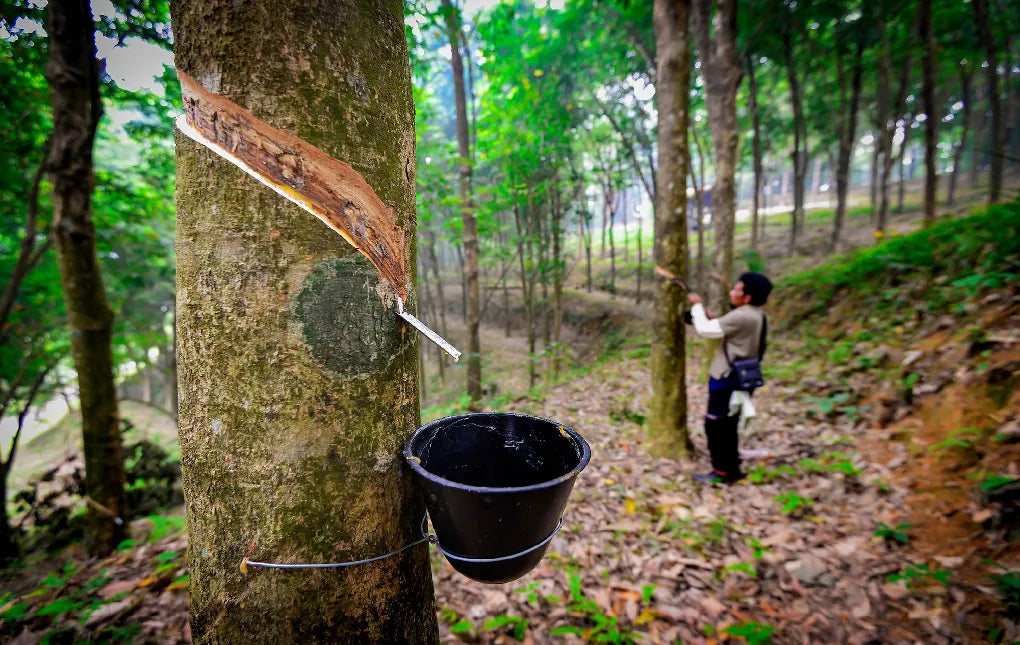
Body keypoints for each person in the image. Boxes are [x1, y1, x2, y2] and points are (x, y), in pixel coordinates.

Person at [687, 272, 772, 484]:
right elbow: (731, 330)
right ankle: (731, 466)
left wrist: (697, 307)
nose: (732, 292)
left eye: (737, 289)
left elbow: (706, 331)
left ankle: (722, 473)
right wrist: (712, 317)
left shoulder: (743, 315)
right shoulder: (756, 314)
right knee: (729, 423)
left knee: (716, 425)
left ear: (748, 297)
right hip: (741, 378)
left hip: (728, 378)